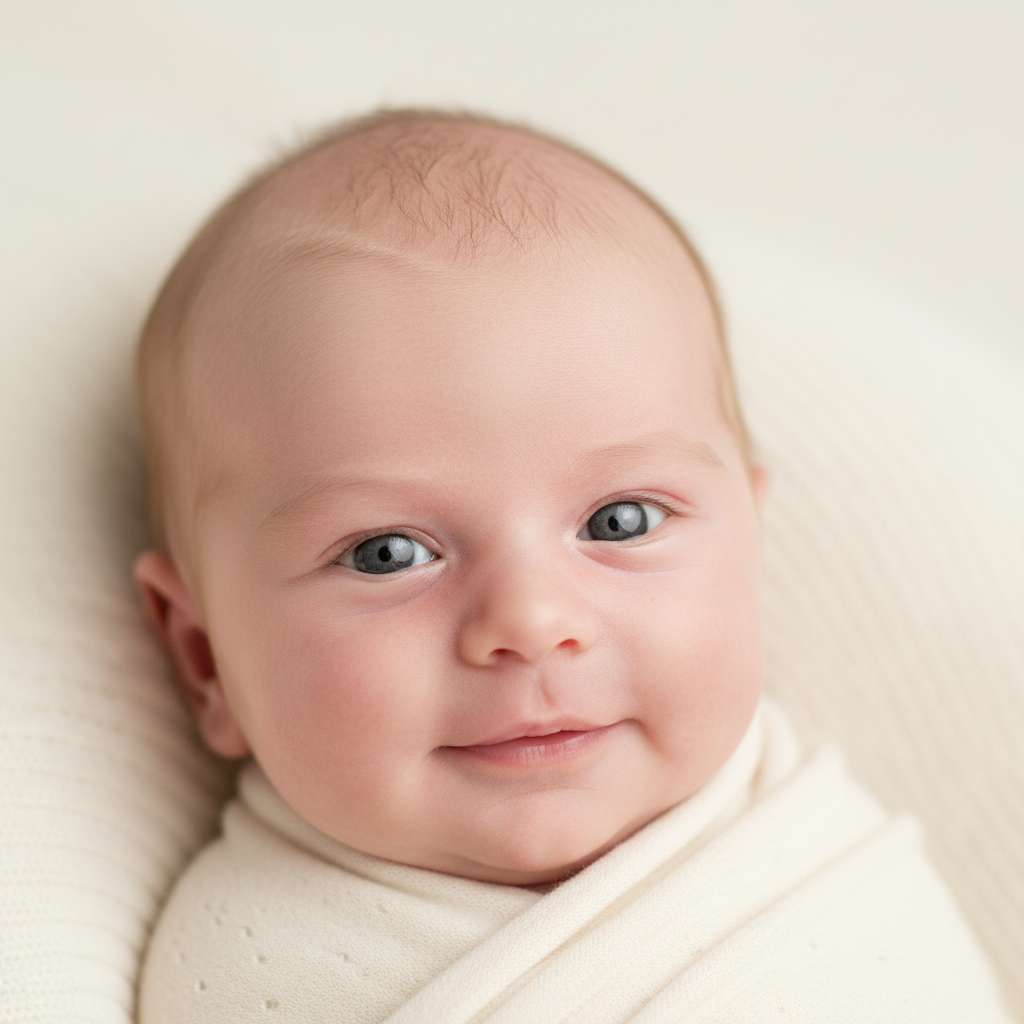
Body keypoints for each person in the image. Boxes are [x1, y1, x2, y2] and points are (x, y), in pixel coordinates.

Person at [132, 109, 1008, 1022]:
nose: (530, 619)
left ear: (752, 545)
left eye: (620, 521)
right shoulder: (245, 975)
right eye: (386, 553)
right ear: (206, 659)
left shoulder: (817, 858)